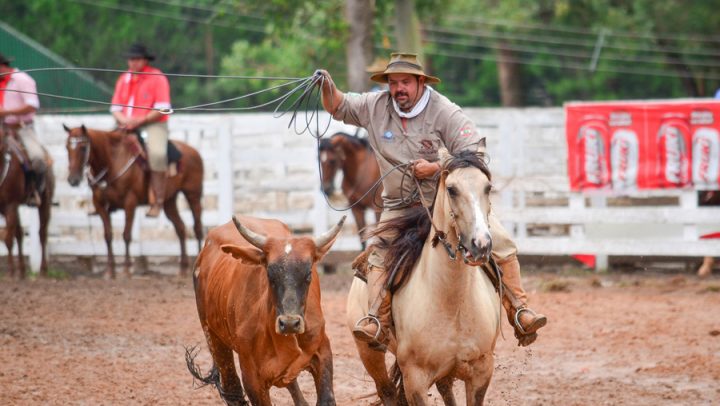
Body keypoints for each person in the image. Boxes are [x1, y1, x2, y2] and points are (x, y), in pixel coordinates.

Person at [317, 52, 547, 348]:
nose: (398, 88)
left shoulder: (445, 112)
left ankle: (520, 309)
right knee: (376, 251)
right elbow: (336, 105)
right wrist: (326, 84)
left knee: (497, 240)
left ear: (420, 82)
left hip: (445, 205)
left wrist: (436, 168)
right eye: (393, 82)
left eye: (405, 82)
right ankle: (377, 319)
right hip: (398, 206)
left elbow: (475, 154)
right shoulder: (374, 106)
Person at [110, 43, 171, 217]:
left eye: (136, 59)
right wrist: (125, 121)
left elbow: (163, 109)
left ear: (145, 60)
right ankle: (101, 196)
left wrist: (139, 121)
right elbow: (115, 108)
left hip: (153, 124)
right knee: (101, 146)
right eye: (130, 59)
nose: (132, 63)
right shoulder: (124, 79)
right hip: (126, 124)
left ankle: (157, 201)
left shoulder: (157, 78)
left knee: (158, 154)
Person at [0, 52, 46, 206]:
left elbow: (32, 105)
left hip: (22, 128)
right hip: (1, 128)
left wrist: (7, 112)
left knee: (37, 157)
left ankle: (34, 190)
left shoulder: (22, 79)